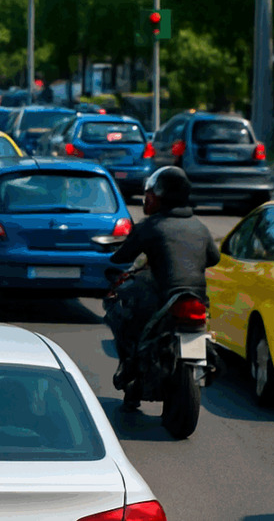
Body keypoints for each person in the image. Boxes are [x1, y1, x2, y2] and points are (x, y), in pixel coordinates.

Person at [104, 166, 220, 411]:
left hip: (160, 299)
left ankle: (128, 370)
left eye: (149, 194)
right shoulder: (199, 226)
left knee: (118, 309)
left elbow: (121, 257)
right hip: (197, 298)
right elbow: (213, 258)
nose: (147, 199)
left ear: (159, 197)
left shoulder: (151, 226)